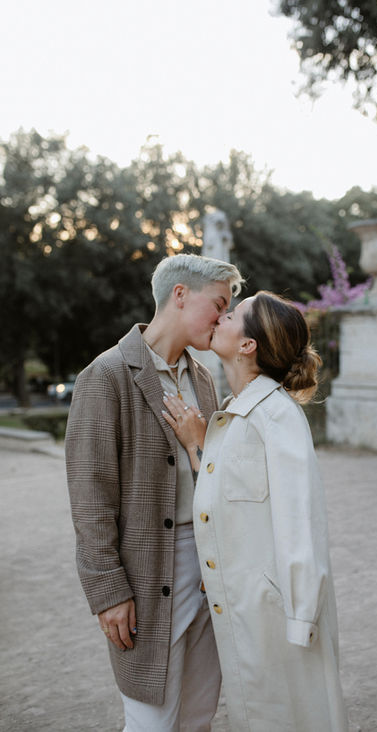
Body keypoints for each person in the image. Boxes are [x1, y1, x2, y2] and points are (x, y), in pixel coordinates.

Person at [65, 253, 243, 732]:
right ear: (180, 295)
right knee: (151, 720)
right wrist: (108, 592)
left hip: (207, 571)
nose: (223, 318)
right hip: (144, 574)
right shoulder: (105, 375)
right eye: (219, 304)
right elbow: (90, 497)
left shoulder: (202, 378)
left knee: (198, 716)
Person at [162, 291, 348, 732]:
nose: (220, 318)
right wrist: (200, 446)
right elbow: (230, 498)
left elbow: (301, 521)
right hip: (245, 614)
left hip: (280, 619)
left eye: (232, 315)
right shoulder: (233, 415)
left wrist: (301, 618)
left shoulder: (278, 415)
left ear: (248, 345)